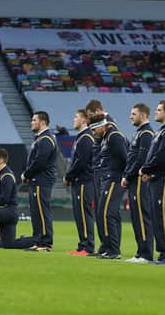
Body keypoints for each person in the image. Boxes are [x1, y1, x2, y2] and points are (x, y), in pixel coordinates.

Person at [139, 100, 165, 265]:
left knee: (164, 217)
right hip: (157, 179)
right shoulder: (163, 131)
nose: (155, 112)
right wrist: (149, 172)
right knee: (158, 217)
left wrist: (146, 169)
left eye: (158, 110)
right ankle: (164, 253)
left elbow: (162, 156)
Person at [89, 114, 127, 260]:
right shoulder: (107, 137)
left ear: (101, 125)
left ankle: (113, 249)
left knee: (108, 213)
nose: (93, 133)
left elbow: (125, 158)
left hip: (114, 179)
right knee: (103, 212)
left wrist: (125, 176)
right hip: (109, 178)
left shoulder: (114, 137)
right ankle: (107, 247)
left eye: (94, 129)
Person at [121, 103, 155, 263]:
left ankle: (146, 253)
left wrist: (128, 175)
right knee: (136, 216)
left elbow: (141, 159)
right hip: (134, 179)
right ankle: (140, 251)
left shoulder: (146, 133)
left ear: (143, 115)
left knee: (142, 216)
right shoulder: (139, 133)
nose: (130, 116)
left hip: (140, 180)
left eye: (133, 114)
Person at [20, 111, 57, 252]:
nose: (31, 122)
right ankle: (38, 240)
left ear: (42, 122)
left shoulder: (46, 139)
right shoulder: (41, 138)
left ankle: (45, 243)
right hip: (37, 180)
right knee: (36, 212)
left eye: (34, 120)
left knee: (41, 211)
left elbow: (40, 162)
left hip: (41, 180)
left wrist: (27, 174)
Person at [85, 99, 117, 255]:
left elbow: (118, 153)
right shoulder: (102, 129)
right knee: (99, 210)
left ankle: (110, 246)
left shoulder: (109, 127)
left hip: (108, 173)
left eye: (92, 116)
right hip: (101, 171)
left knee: (106, 211)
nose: (91, 122)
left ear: (98, 111)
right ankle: (104, 246)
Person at [64, 110, 96, 256]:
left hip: (84, 181)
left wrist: (69, 176)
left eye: (76, 117)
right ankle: (82, 245)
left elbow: (81, 162)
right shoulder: (81, 137)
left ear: (84, 120)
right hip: (80, 181)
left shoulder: (86, 137)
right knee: (79, 214)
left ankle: (87, 247)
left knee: (84, 214)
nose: (73, 119)